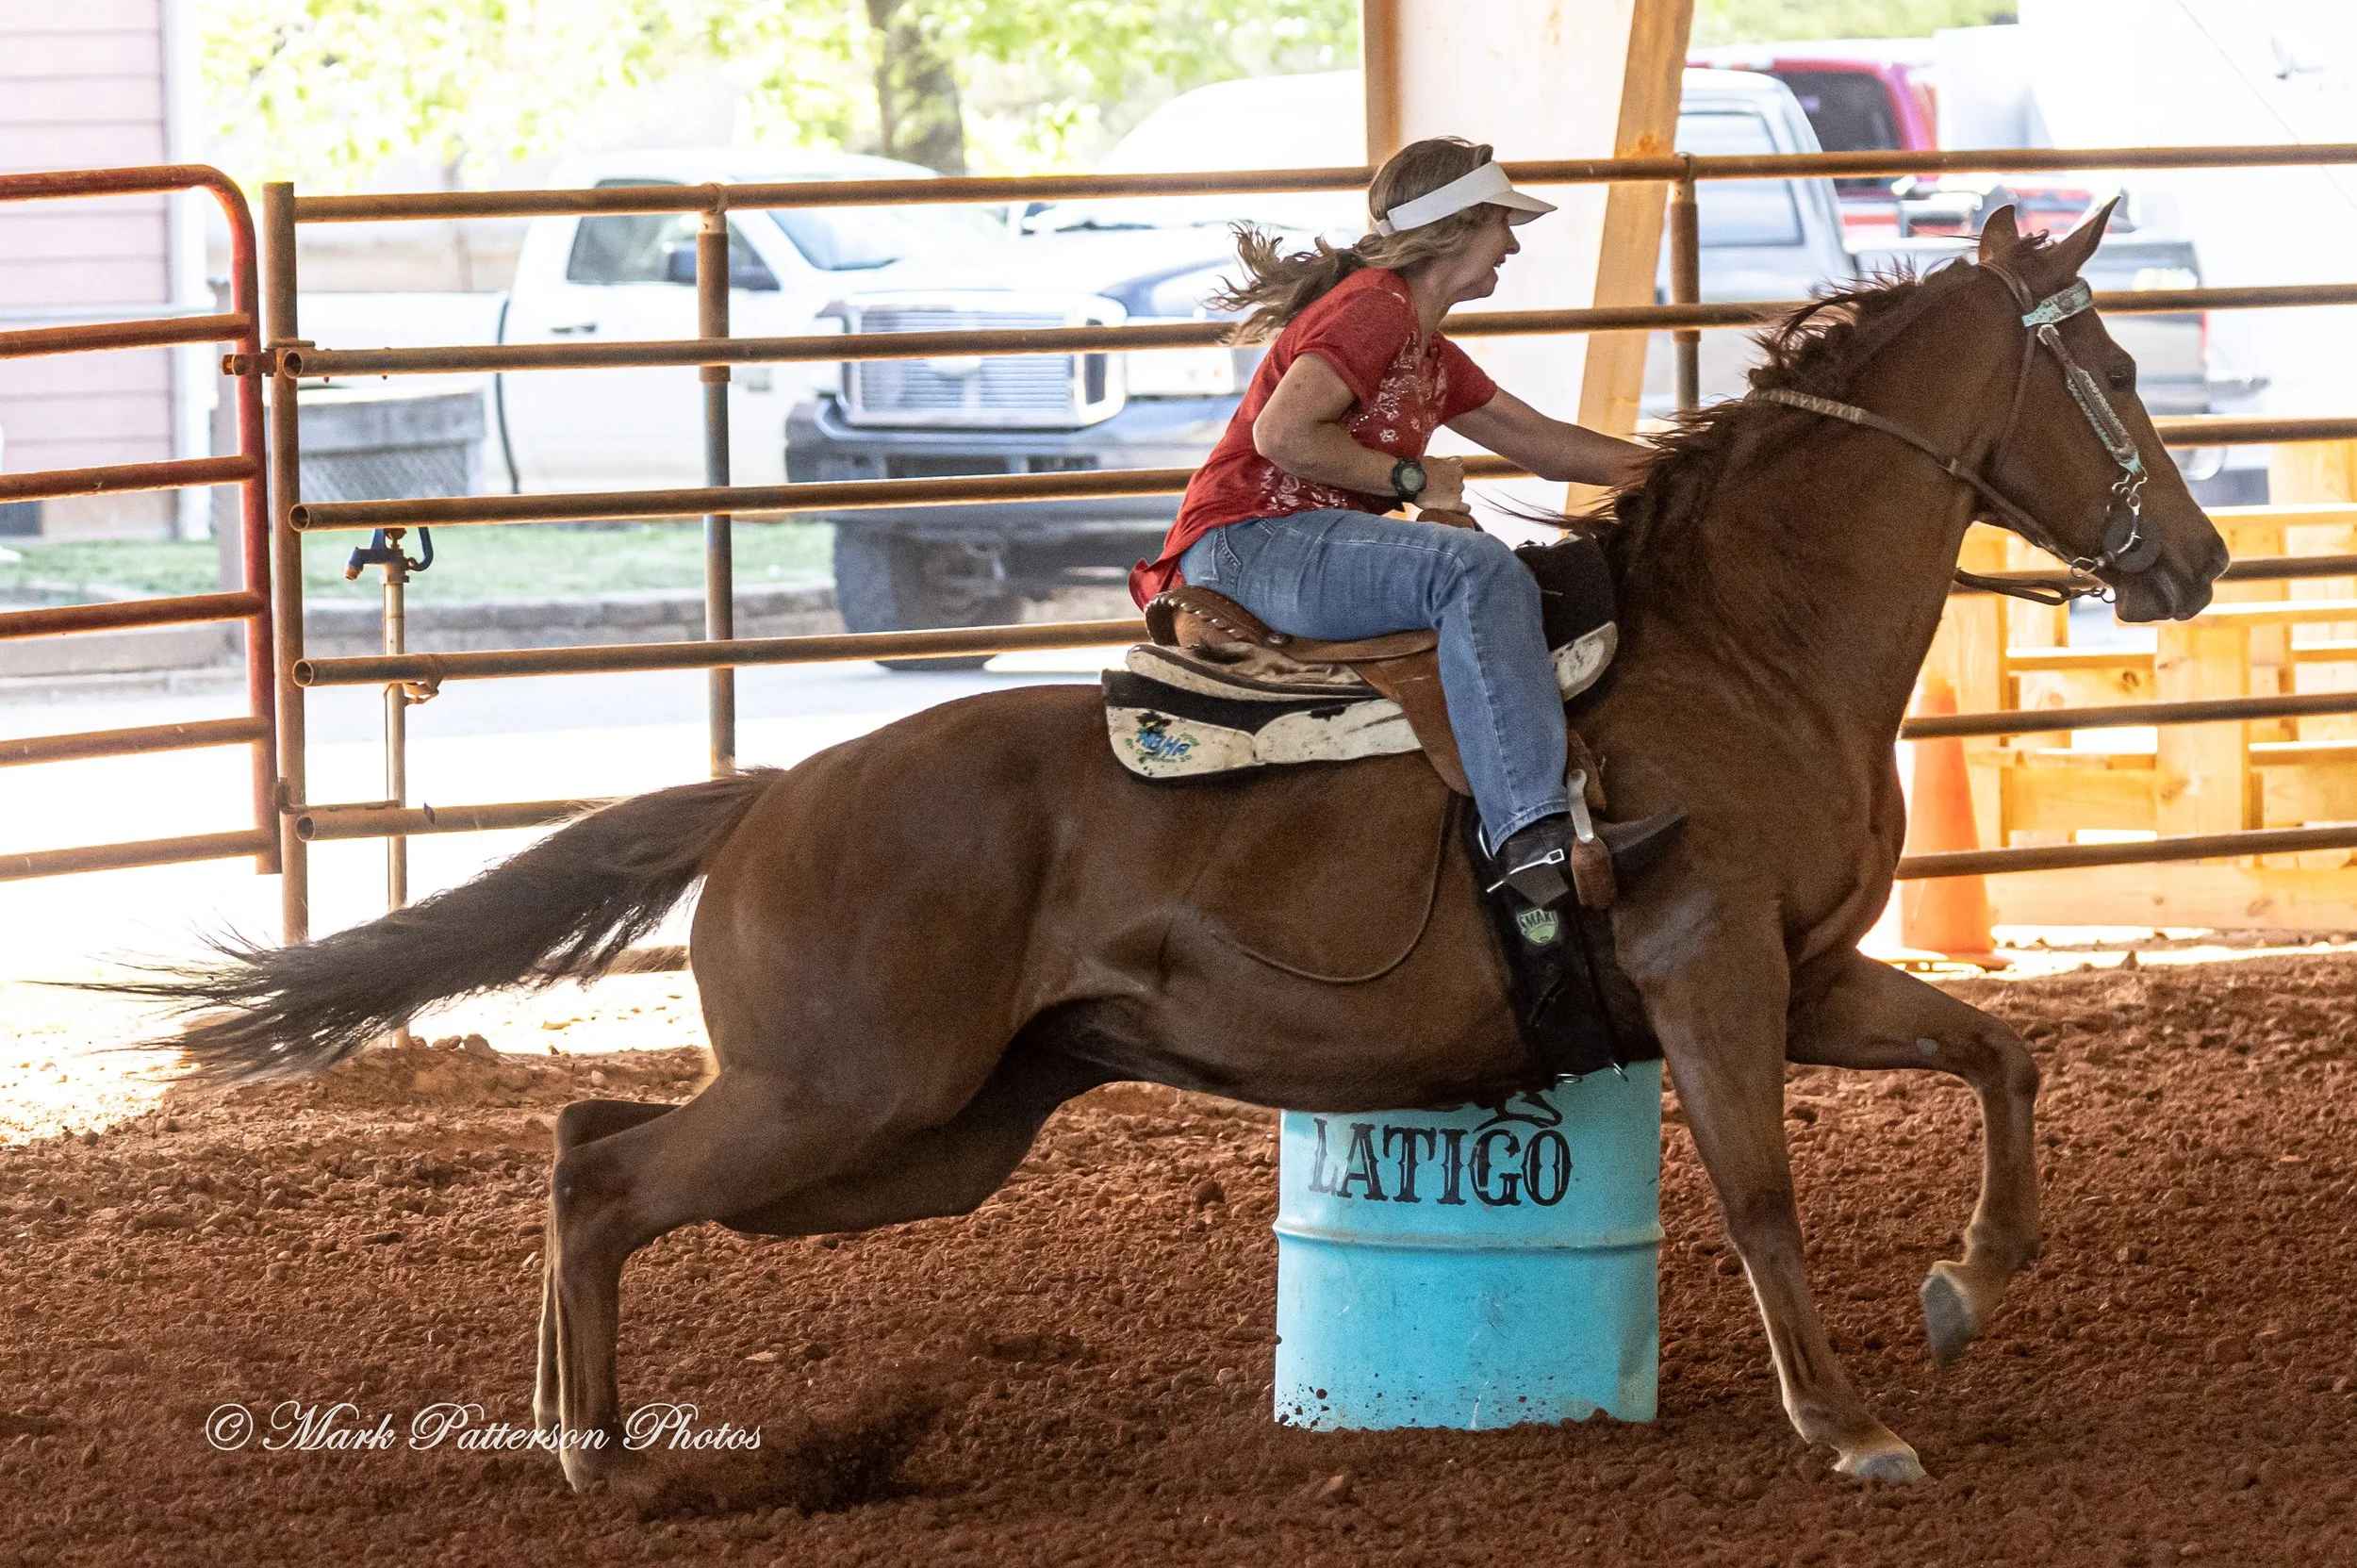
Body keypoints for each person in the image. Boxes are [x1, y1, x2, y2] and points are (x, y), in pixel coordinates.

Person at [1129, 137, 1681, 911]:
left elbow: (1541, 443)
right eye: (1502, 223)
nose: (1514, 243)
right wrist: (1413, 479)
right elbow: (1282, 437)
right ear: (1458, 225)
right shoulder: (1375, 306)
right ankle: (1533, 833)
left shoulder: (1424, 346)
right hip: (1252, 542)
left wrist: (1683, 471)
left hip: (1282, 545)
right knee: (1477, 570)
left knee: (1487, 570)